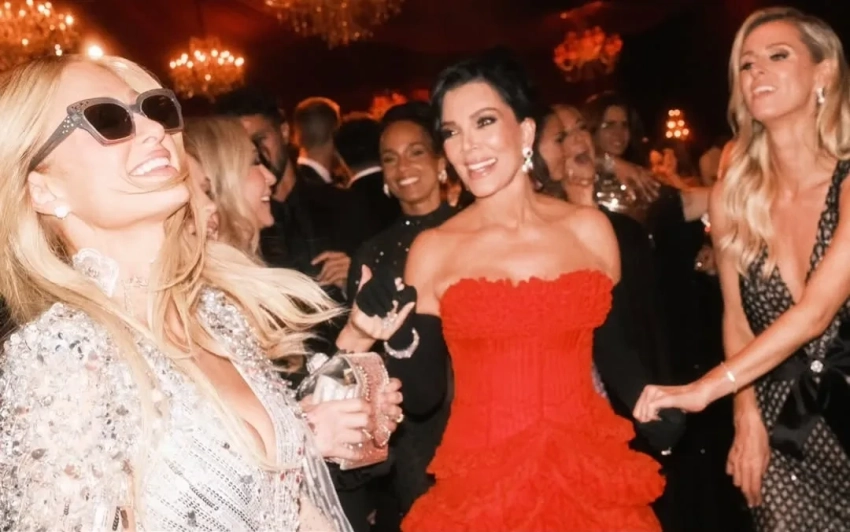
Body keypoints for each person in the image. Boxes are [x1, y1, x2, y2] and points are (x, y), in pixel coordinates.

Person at [0, 54, 410, 532]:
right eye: (107, 119)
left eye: (154, 108)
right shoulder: (63, 351)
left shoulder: (213, 311)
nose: (153, 129)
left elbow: (293, 506)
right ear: (43, 191)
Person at [383, 50, 664, 532]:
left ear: (526, 132)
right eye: (452, 132)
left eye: (484, 122)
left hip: (588, 477)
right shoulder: (434, 248)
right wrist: (394, 328)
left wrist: (654, 404)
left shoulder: (589, 229)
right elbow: (423, 395)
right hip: (484, 490)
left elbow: (615, 350)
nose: (468, 147)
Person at [634, 7, 850, 530]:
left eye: (778, 56)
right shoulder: (734, 196)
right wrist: (744, 412)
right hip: (785, 426)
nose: (757, 72)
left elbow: (816, 313)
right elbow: (735, 317)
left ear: (823, 72)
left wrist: (707, 388)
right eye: (747, 65)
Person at [348, 101, 459, 529]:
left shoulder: (472, 233)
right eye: (390, 158)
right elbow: (364, 360)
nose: (403, 167)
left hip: (480, 407)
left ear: (440, 161)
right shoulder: (372, 253)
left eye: (415, 152)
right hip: (413, 430)